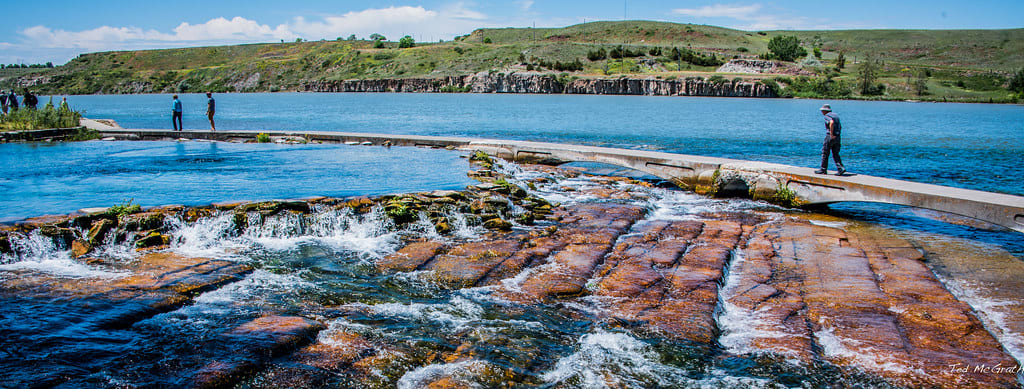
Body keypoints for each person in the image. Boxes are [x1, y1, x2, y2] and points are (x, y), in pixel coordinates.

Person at [815, 104, 845, 176]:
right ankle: (840, 168)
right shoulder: (836, 115)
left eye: (822, 110)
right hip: (837, 136)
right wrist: (837, 135)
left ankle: (823, 169)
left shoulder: (827, 116)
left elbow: (831, 122)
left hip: (830, 136)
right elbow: (840, 126)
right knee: (835, 153)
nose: (822, 112)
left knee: (825, 152)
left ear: (825, 111)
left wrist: (831, 134)